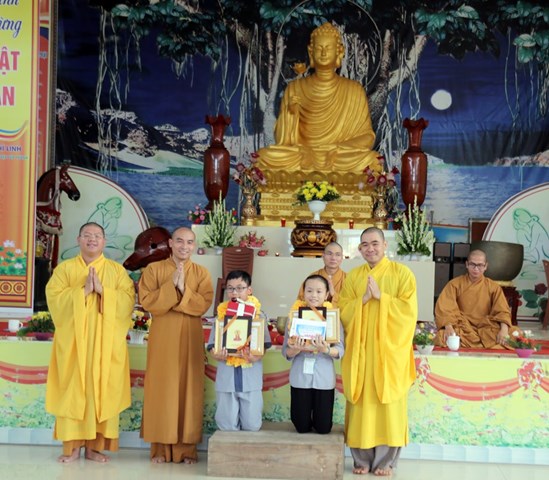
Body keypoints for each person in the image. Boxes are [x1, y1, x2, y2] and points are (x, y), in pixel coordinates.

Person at [45, 222, 135, 463]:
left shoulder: (116, 271)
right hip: (74, 345)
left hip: (105, 345)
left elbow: (128, 300)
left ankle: (95, 447)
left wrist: (105, 292)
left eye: (97, 236)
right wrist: (82, 292)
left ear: (104, 241)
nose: (92, 239)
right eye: (87, 235)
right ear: (79, 240)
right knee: (73, 391)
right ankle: (72, 447)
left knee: (102, 392)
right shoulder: (64, 270)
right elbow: (53, 299)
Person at [339, 227, 417, 476]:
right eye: (365, 244)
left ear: (385, 245)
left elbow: (409, 313)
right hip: (361, 352)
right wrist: (362, 300)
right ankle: (361, 459)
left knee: (389, 407)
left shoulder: (402, 274)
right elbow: (343, 311)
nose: (370, 248)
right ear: (360, 249)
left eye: (375, 243)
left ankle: (386, 462)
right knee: (361, 403)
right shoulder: (354, 276)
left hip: (388, 354)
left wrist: (382, 297)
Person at [258, 22, 380, 173]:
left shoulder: (354, 90)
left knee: (372, 160)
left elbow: (367, 137)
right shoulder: (294, 88)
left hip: (337, 156)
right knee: (264, 157)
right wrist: (290, 116)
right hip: (302, 155)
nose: (323, 53)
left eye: (328, 48)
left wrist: (336, 148)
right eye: (319, 48)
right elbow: (282, 141)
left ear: (339, 52)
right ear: (311, 52)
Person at [138, 227, 213, 464]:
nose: (184, 246)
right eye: (179, 241)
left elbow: (203, 305)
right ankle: (159, 449)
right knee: (163, 388)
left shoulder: (201, 273)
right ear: (170, 243)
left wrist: (183, 289)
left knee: (189, 389)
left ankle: (186, 450)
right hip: (163, 336)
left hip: (191, 334)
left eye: (189, 242)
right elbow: (147, 301)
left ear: (194, 246)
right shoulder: (154, 270)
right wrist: (171, 287)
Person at [207, 270, 271, 431]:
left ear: (249, 290)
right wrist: (217, 355)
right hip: (227, 378)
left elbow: (264, 346)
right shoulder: (220, 316)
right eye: (230, 288)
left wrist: (256, 357)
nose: (234, 292)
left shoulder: (259, 315)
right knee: (226, 425)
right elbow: (212, 347)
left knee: (252, 425)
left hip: (250, 378)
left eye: (240, 288)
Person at [282, 274, 344, 434]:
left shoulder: (333, 318)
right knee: (301, 427)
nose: (314, 295)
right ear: (303, 293)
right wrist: (296, 349)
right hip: (300, 377)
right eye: (309, 291)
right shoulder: (293, 317)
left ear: (326, 294)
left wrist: (326, 350)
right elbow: (286, 352)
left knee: (323, 428)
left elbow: (340, 350)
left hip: (323, 377)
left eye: (319, 291)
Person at [434, 249, 515, 349]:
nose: (476, 269)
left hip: (487, 328)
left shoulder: (493, 287)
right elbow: (445, 308)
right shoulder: (454, 284)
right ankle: (485, 345)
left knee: (515, 334)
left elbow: (502, 311)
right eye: (472, 264)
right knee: (442, 336)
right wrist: (448, 326)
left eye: (480, 265)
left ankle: (470, 344)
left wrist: (504, 330)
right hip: (463, 329)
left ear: (485, 266)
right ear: (467, 264)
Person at [297, 242, 346, 306]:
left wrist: (334, 294)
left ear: (342, 258)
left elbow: (351, 303)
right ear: (323, 256)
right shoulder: (313, 277)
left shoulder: (349, 278)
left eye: (337, 255)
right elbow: (301, 301)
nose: (333, 258)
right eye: (329, 254)